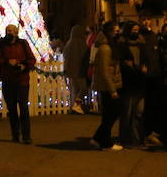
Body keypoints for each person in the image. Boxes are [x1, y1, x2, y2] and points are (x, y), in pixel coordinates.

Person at [0, 23, 37, 144]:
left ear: (16, 32)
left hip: (22, 81)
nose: (9, 33)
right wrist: (6, 61)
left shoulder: (23, 44)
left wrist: (24, 65)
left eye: (11, 31)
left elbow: (32, 59)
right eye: (7, 30)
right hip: (8, 81)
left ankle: (26, 136)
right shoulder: (2, 45)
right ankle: (15, 134)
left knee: (23, 108)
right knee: (11, 109)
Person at [89, 22, 123, 150]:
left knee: (109, 115)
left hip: (111, 84)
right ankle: (101, 139)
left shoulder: (110, 46)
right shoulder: (105, 49)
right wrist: (112, 89)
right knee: (111, 114)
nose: (117, 33)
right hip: (108, 86)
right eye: (115, 31)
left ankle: (102, 140)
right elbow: (104, 70)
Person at [115, 23, 146, 149]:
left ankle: (138, 139)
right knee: (127, 113)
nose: (136, 32)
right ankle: (126, 139)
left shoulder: (142, 45)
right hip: (128, 84)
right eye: (134, 30)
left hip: (140, 84)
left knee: (139, 112)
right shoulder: (122, 45)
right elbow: (125, 64)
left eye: (137, 30)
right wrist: (135, 68)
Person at [62, 24, 89, 114]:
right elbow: (85, 57)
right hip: (80, 70)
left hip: (70, 70)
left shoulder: (68, 44)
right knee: (83, 88)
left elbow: (65, 57)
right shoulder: (82, 43)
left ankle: (73, 107)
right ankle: (76, 105)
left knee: (74, 89)